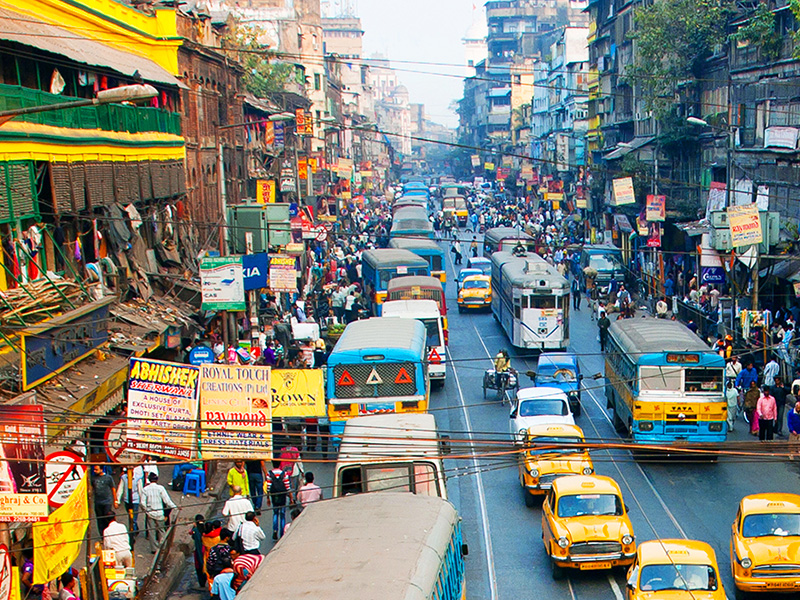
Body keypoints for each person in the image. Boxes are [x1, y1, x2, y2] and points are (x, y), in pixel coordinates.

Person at [140, 472, 176, 553]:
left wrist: (146, 510)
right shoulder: (161, 488)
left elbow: (142, 503)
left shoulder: (145, 489)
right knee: (161, 530)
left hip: (150, 514)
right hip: (160, 513)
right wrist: (175, 507)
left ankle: (154, 549)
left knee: (152, 532)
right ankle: (163, 547)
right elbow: (167, 501)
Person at [265, 460, 292, 541]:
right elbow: (287, 486)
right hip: (282, 495)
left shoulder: (269, 474)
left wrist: (268, 498)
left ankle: (275, 530)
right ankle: (282, 532)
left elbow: (268, 486)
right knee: (282, 514)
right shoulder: (284, 474)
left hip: (274, 495)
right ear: (280, 464)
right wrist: (291, 498)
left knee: (275, 513)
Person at [116, 465, 145, 536]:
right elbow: (120, 488)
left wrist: (142, 502)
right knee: (130, 516)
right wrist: (118, 500)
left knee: (133, 518)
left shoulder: (138, 478)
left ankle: (133, 533)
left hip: (135, 500)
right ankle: (135, 528)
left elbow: (140, 490)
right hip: (127, 500)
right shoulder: (123, 478)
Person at [91, 464, 117, 536]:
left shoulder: (108, 478)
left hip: (107, 502)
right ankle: (102, 536)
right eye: (94, 469)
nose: (95, 471)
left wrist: (115, 500)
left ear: (101, 470)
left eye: (96, 469)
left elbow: (113, 489)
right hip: (98, 502)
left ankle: (108, 534)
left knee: (107, 518)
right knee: (99, 520)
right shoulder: (93, 478)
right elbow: (91, 488)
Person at [190, 515, 207, 588]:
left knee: (199, 567)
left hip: (199, 551)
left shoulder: (195, 531)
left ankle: (202, 583)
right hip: (206, 551)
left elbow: (193, 536)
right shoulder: (206, 528)